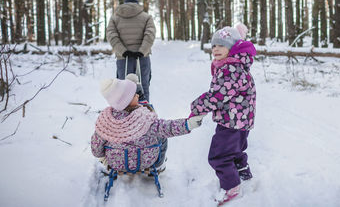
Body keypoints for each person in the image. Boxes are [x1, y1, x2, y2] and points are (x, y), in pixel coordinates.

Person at [189, 23, 256, 205]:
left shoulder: (231, 69)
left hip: (232, 122)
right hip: (241, 120)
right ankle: (244, 174)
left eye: (221, 45)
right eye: (214, 46)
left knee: (218, 156)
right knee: (235, 151)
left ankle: (232, 187)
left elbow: (217, 96)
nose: (216, 49)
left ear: (233, 47)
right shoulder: (236, 65)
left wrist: (197, 106)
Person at [91, 77, 204, 176]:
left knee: (102, 138)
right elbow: (168, 128)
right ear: (127, 100)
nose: (137, 95)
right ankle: (159, 165)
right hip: (146, 161)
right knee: (162, 135)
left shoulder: (106, 121)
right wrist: (188, 124)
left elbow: (96, 148)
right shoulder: (144, 119)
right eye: (134, 95)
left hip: (116, 162)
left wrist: (103, 158)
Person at [106, 0, 156, 101]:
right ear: (136, 3)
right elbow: (150, 34)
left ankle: (125, 114)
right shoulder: (146, 17)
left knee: (123, 88)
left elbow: (111, 35)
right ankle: (145, 112)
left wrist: (123, 51)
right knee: (143, 87)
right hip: (142, 58)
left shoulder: (115, 18)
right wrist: (141, 51)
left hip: (123, 58)